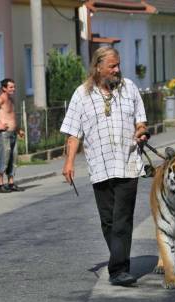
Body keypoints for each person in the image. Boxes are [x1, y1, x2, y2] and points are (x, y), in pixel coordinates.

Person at [60, 46, 149, 287]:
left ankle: (119, 269)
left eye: (118, 65)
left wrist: (141, 133)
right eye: (112, 66)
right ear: (98, 67)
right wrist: (69, 163)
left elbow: (141, 121)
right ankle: (119, 262)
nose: (117, 70)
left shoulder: (129, 88)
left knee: (122, 218)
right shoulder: (82, 95)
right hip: (99, 166)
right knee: (108, 220)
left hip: (128, 162)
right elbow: (73, 134)